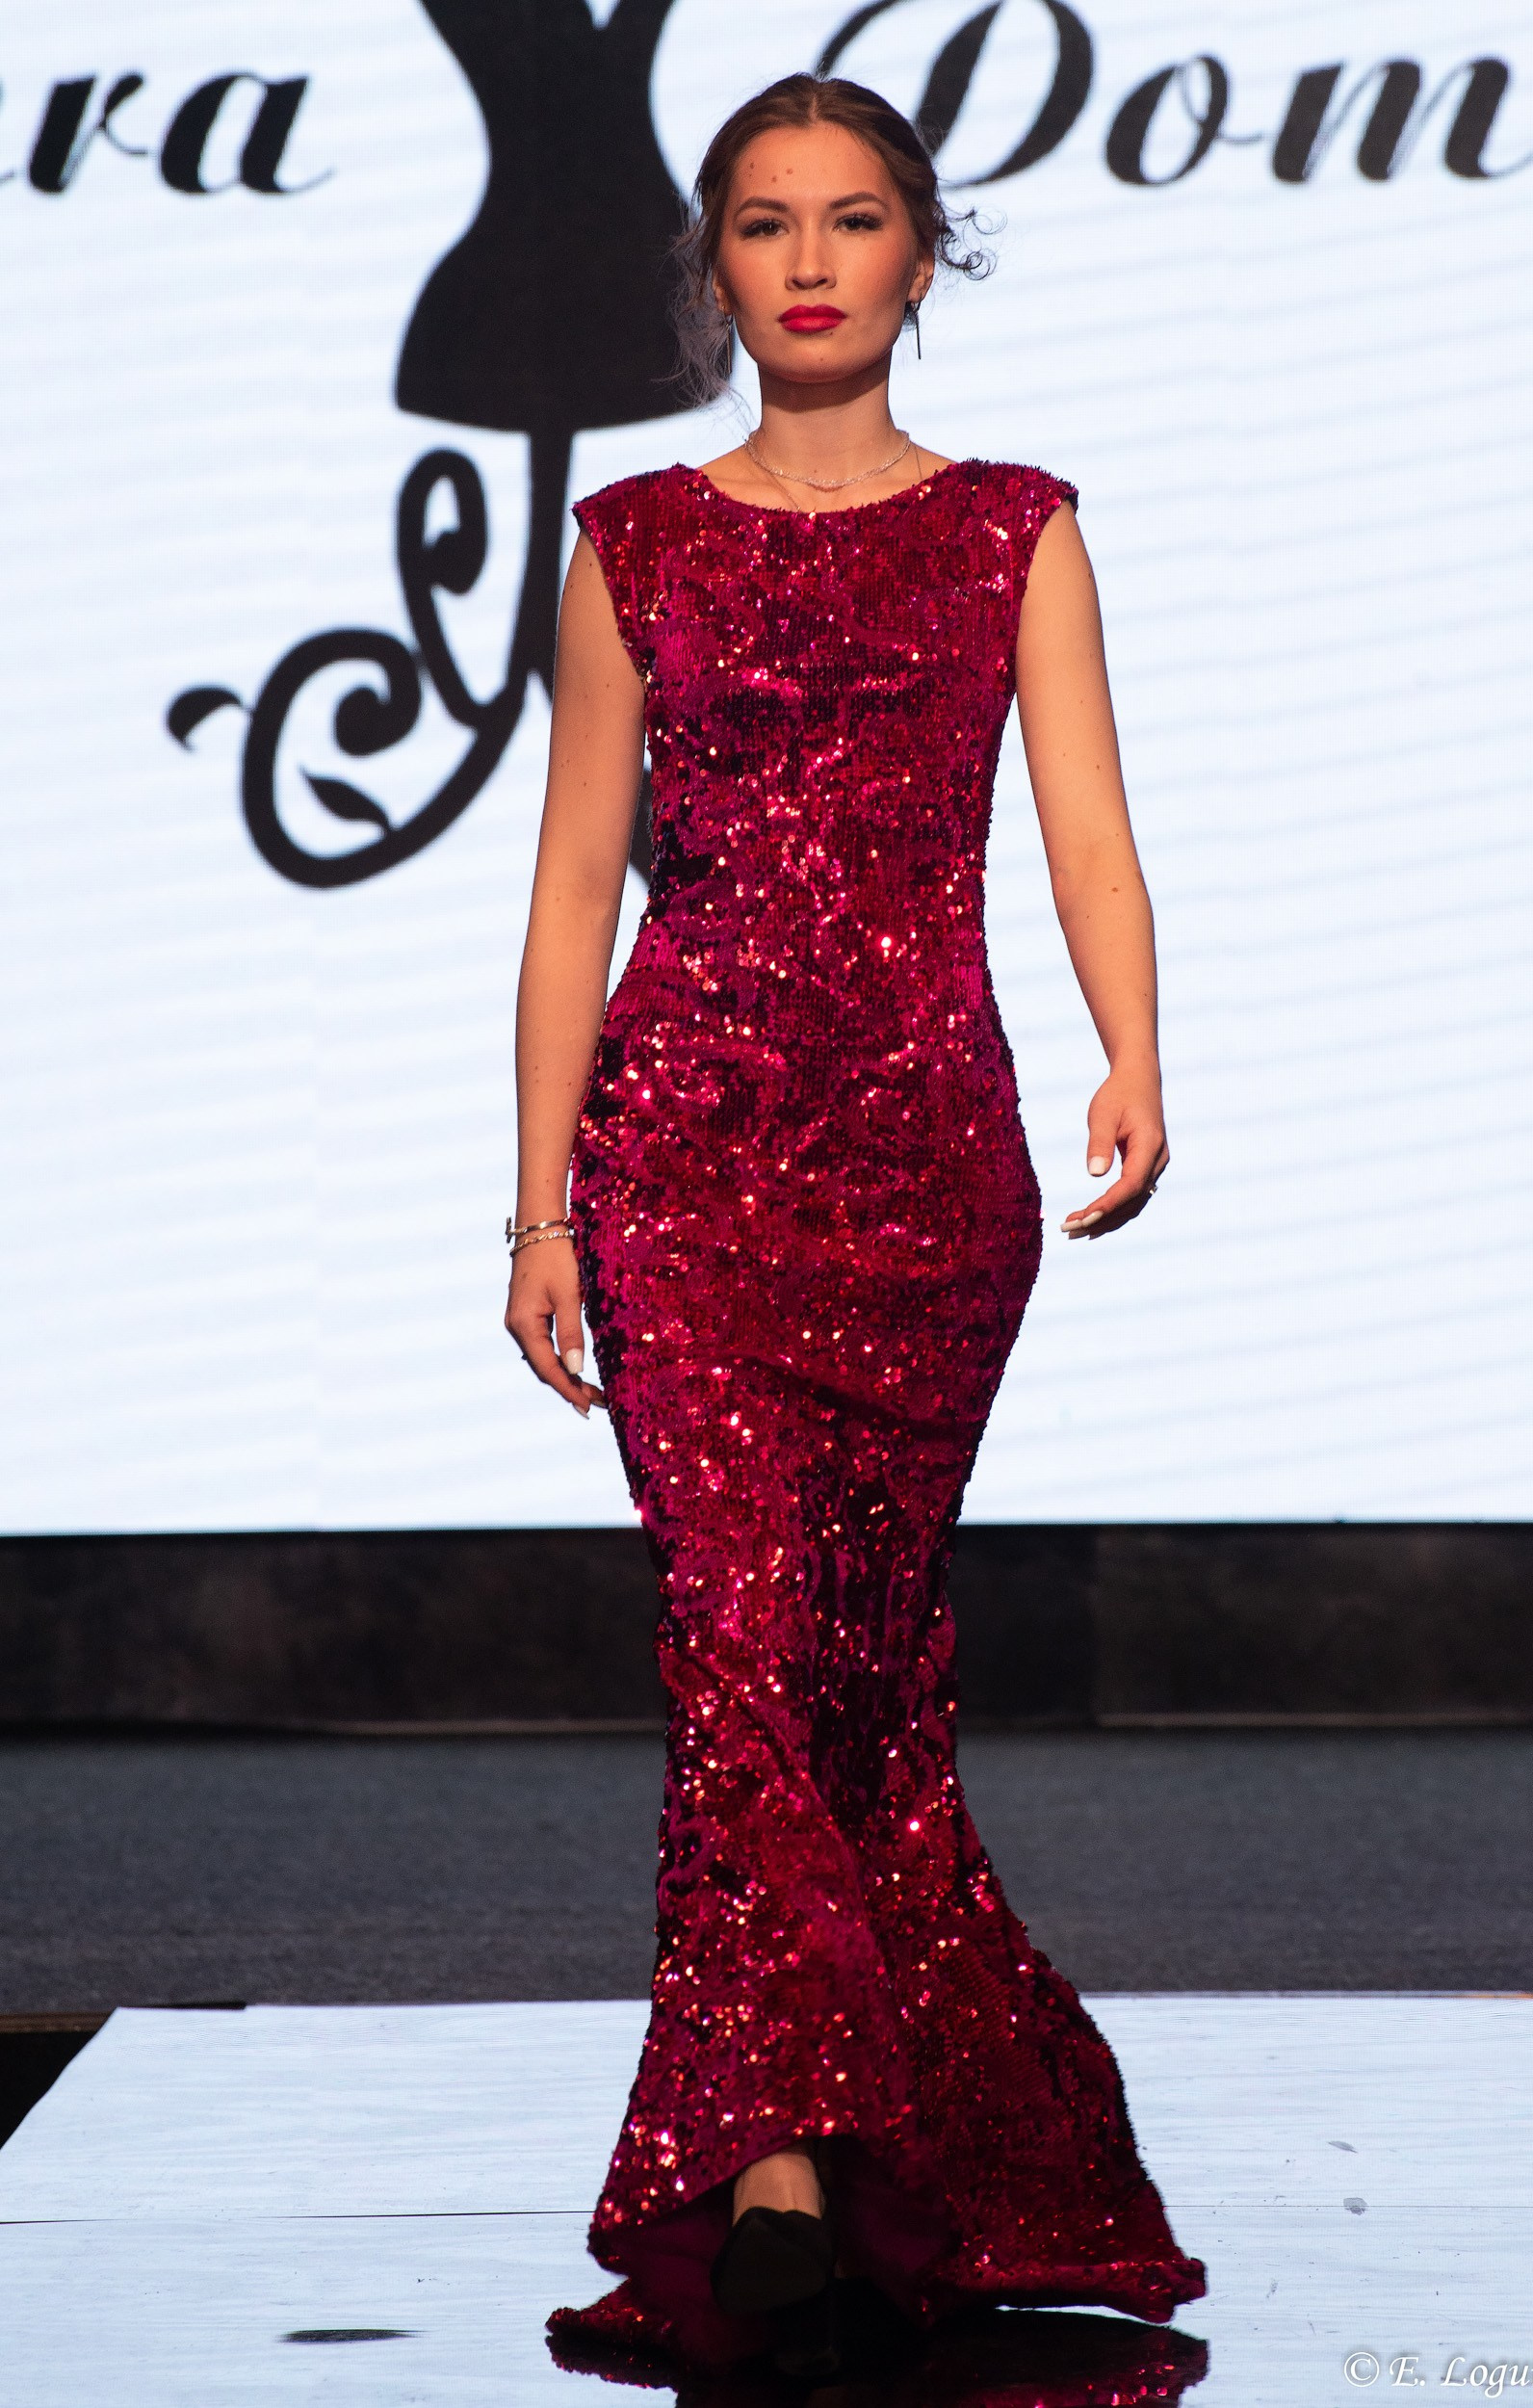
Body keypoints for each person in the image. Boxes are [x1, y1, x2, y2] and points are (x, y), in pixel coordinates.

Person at [507, 69, 1205, 2384]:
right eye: (762, 221)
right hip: (681, 1161)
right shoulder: (631, 541)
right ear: (711, 265)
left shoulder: (1013, 528)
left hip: (922, 1169)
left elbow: (1084, 828)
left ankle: (931, 2159)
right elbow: (569, 891)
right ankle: (780, 2163)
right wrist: (534, 1204)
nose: (806, 259)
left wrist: (1131, 1047)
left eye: (851, 218)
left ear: (922, 250)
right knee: (731, 1641)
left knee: (858, 1673)